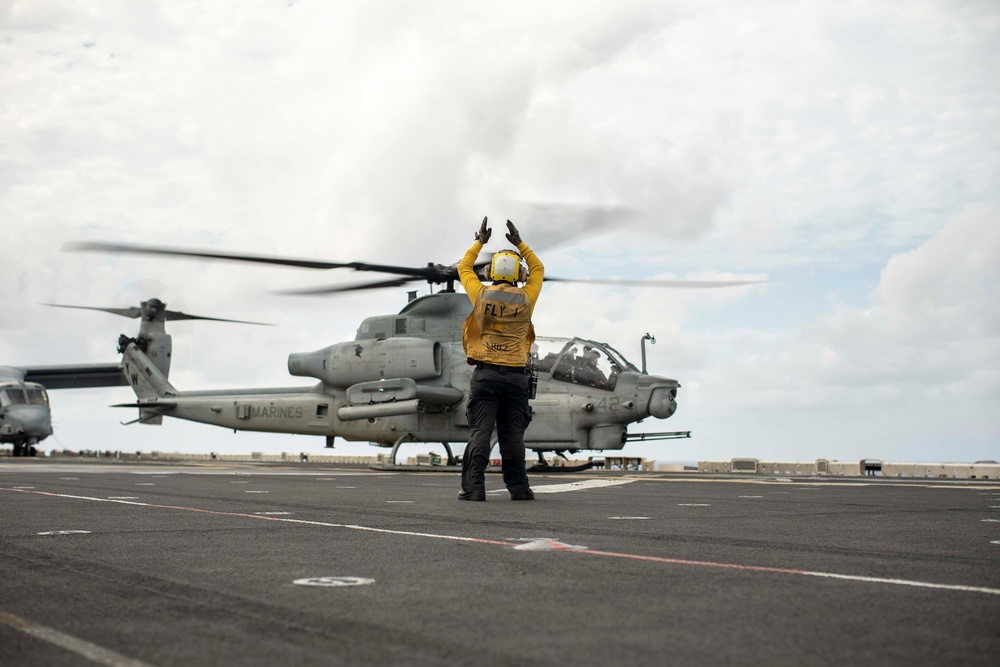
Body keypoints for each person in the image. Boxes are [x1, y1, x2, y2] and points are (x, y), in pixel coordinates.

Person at [456, 217, 544, 501]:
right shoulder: (526, 298)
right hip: (517, 378)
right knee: (513, 435)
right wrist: (519, 242)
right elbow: (539, 268)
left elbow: (464, 267)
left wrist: (479, 242)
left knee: (481, 431)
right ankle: (519, 489)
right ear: (519, 272)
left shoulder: (481, 294)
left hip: (486, 376)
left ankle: (474, 489)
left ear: (491, 270)